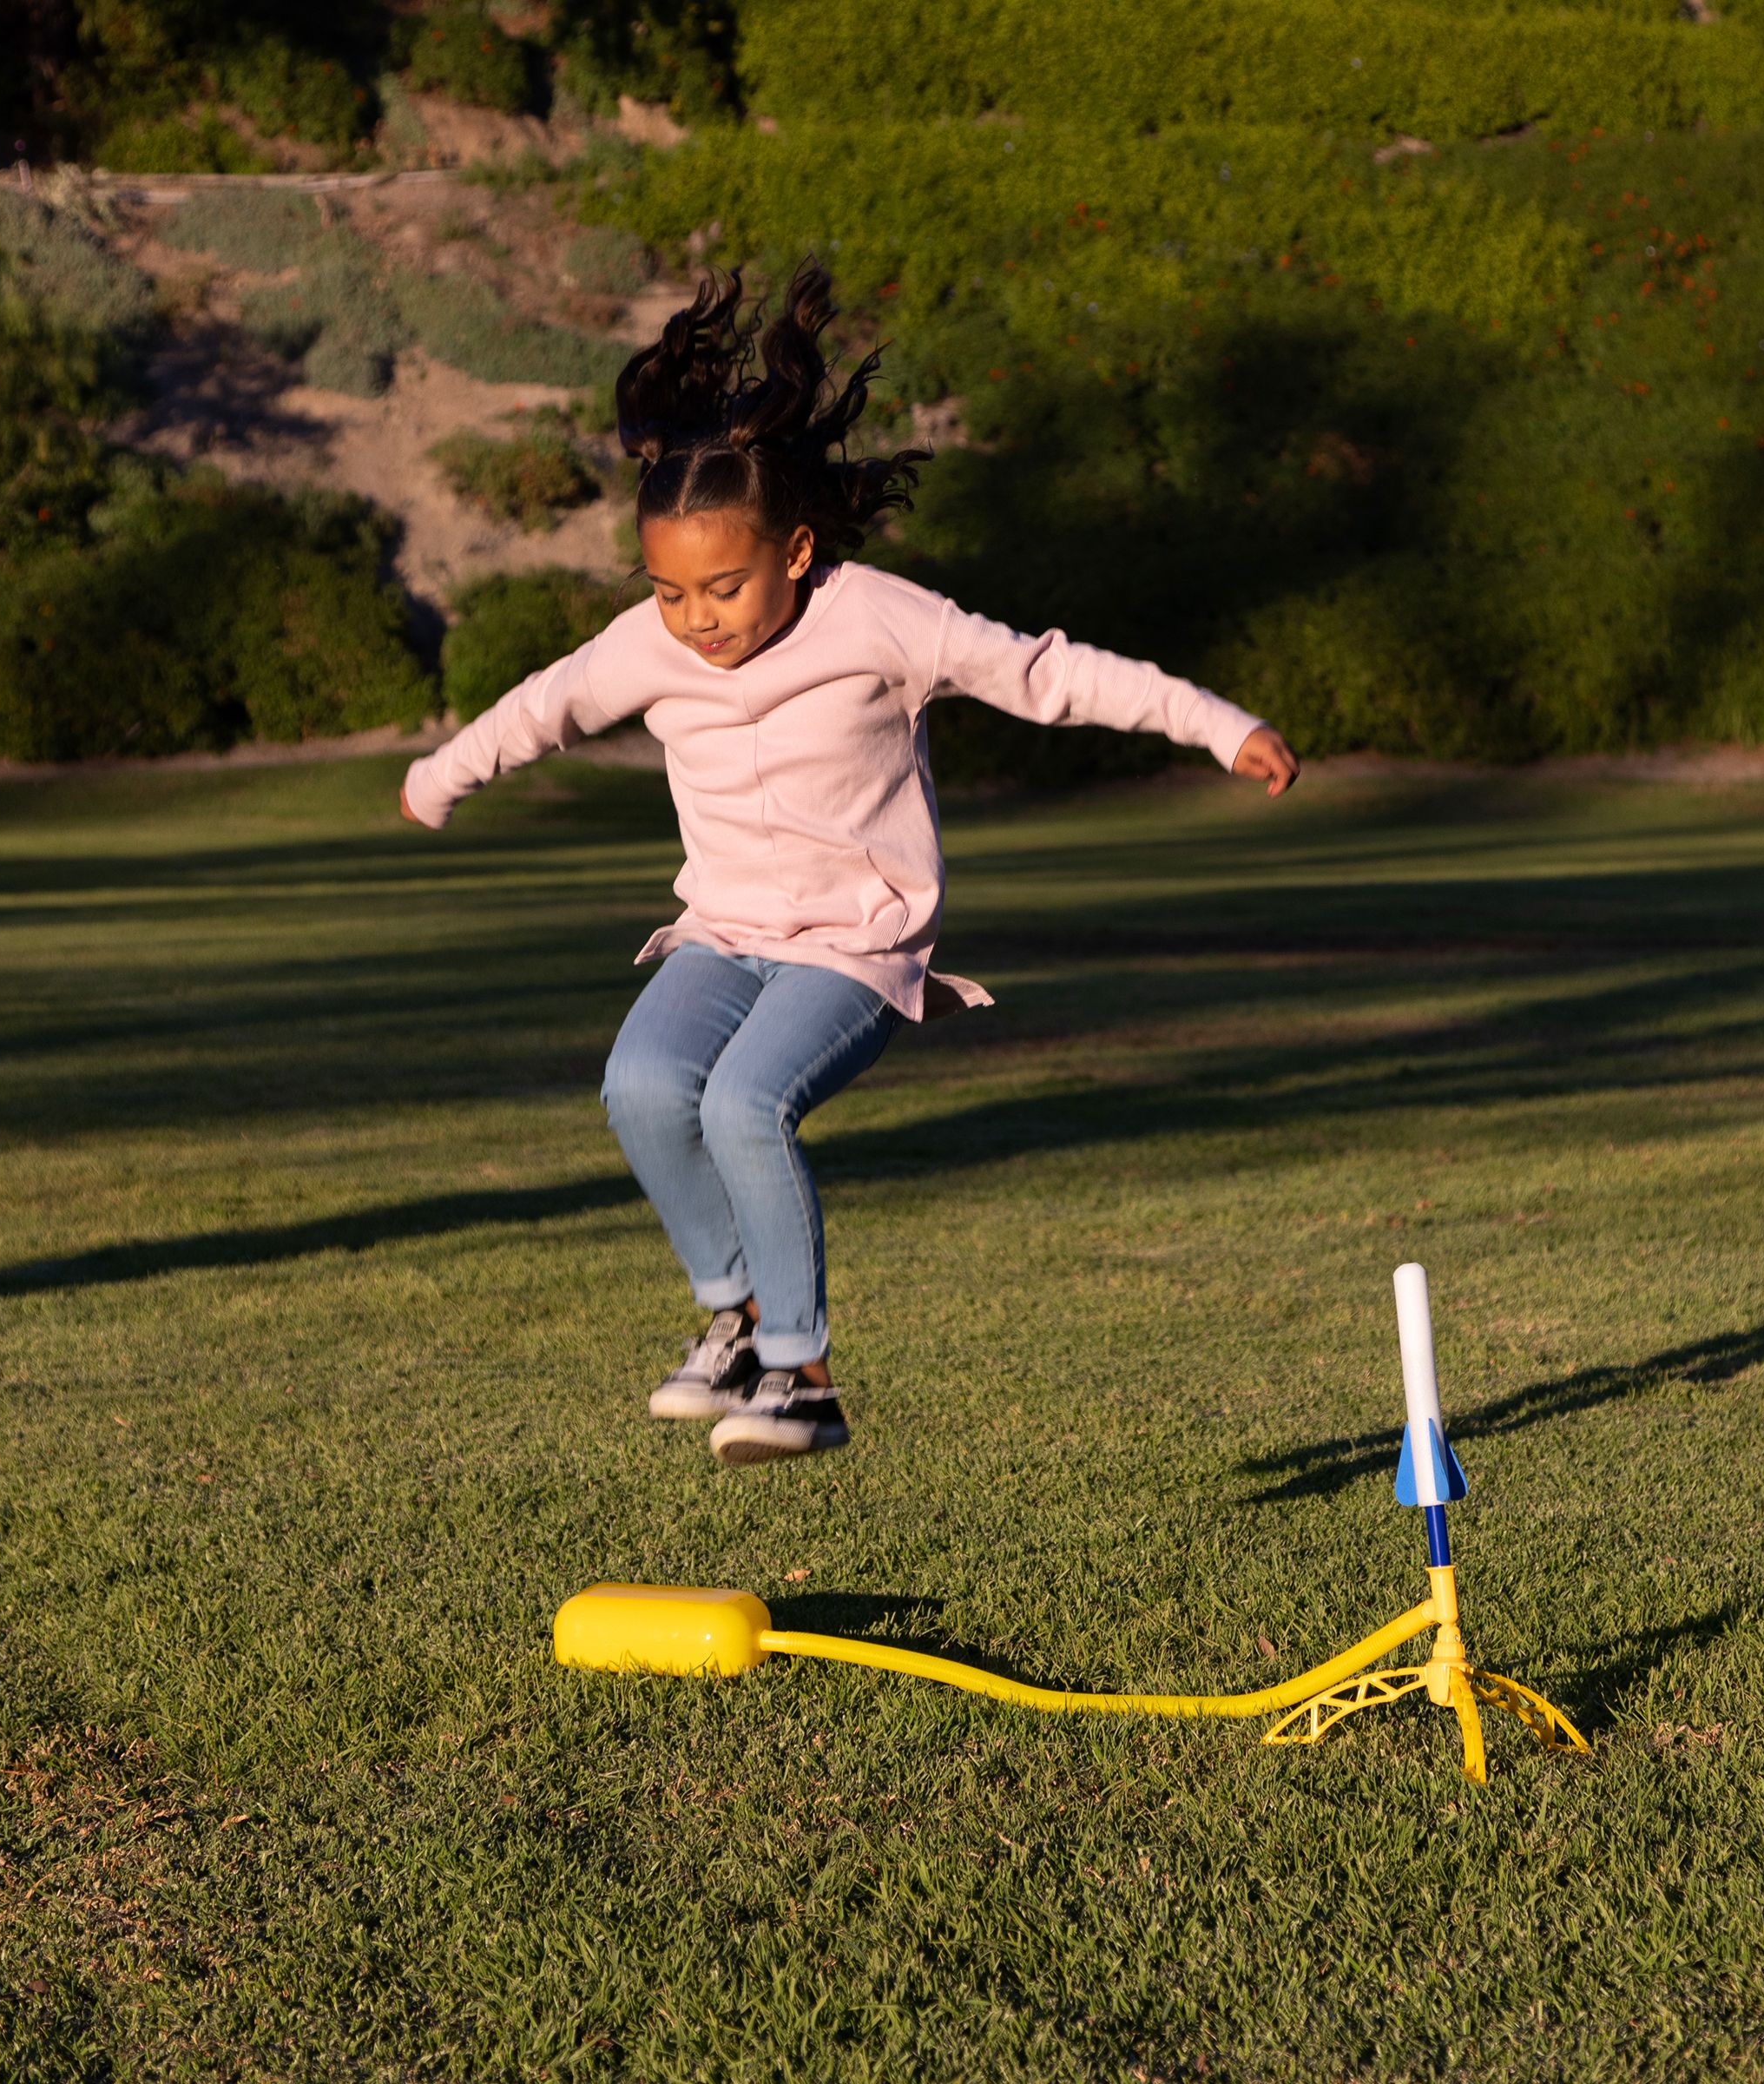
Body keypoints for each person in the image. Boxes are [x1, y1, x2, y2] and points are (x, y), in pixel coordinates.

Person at [400, 262, 1300, 1465]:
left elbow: (1053, 673)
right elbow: (542, 708)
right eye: (669, 593)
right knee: (642, 1088)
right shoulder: (647, 648)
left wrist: (1217, 722)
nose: (698, 619)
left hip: (856, 949)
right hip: (722, 937)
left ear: (798, 549)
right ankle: (737, 1316)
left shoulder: (878, 617)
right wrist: (441, 775)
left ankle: (804, 1378)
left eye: (724, 586)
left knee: (745, 1103)